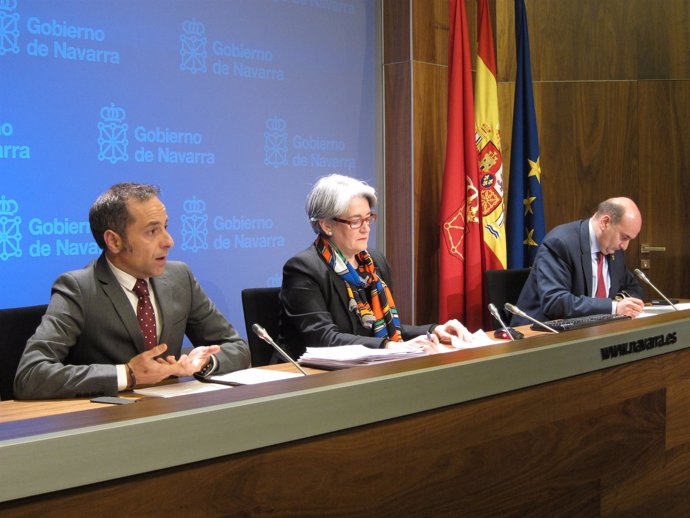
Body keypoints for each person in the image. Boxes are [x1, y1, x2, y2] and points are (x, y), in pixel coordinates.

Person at [14, 183, 250, 399]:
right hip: (105, 426)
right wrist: (128, 374)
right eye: (152, 231)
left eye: (165, 228)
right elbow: (30, 375)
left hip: (173, 415)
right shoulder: (78, 288)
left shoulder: (180, 278)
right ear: (114, 241)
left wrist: (205, 363)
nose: (169, 241)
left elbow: (237, 348)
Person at [278, 173, 472, 360]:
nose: (366, 228)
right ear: (327, 226)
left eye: (368, 218)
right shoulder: (304, 269)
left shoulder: (374, 262)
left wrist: (432, 330)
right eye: (355, 221)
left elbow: (386, 329)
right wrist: (389, 347)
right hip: (308, 379)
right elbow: (324, 339)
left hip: (367, 369)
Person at [510, 197, 645, 326]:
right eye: (624, 237)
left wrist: (621, 302)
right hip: (542, 334)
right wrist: (614, 307)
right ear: (605, 222)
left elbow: (634, 288)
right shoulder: (561, 243)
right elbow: (556, 302)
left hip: (591, 332)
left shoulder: (613, 249)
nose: (625, 246)